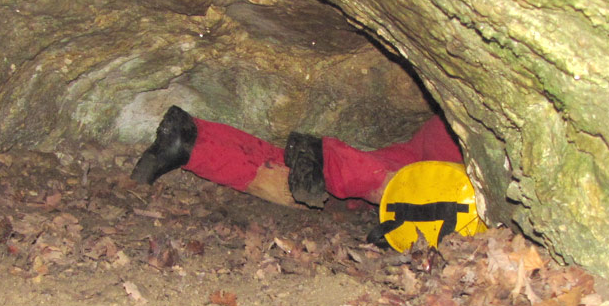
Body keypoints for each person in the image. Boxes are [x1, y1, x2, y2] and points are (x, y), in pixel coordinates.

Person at [130, 105, 464, 209]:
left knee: (296, 181)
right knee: (391, 185)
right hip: (457, 150)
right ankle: (326, 161)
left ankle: (191, 141)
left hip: (446, 134)